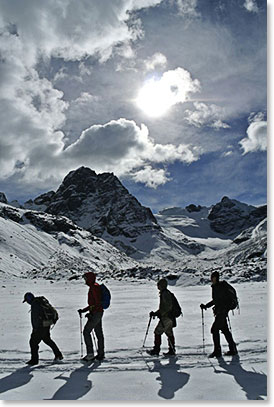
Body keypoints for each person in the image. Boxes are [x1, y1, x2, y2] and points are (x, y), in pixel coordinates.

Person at [200, 271, 238, 358]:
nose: (211, 279)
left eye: (212, 277)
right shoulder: (216, 287)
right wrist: (206, 306)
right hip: (220, 312)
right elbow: (216, 300)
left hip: (222, 312)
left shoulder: (220, 287)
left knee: (214, 329)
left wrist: (222, 308)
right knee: (225, 330)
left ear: (216, 278)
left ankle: (217, 351)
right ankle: (232, 348)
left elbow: (219, 300)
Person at [23, 292, 63, 366]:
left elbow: (36, 318)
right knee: (47, 340)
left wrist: (35, 328)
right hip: (46, 325)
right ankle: (58, 355)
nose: (27, 302)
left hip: (40, 327)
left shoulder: (35, 305)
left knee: (33, 342)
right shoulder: (39, 302)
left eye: (26, 300)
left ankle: (34, 360)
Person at [78, 272, 104, 361]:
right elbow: (94, 304)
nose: (85, 280)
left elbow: (97, 303)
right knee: (98, 333)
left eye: (85, 278)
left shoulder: (94, 287)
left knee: (86, 332)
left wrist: (91, 313)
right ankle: (100, 354)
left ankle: (90, 354)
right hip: (98, 312)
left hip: (96, 313)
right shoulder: (95, 286)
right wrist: (84, 310)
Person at [147, 278, 176, 356]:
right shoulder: (165, 293)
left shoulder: (165, 294)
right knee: (169, 333)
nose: (157, 286)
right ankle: (172, 350)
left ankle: (156, 350)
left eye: (158, 285)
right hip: (169, 317)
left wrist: (159, 313)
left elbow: (167, 307)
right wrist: (156, 313)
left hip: (166, 317)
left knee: (157, 332)